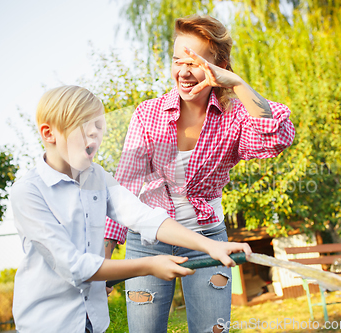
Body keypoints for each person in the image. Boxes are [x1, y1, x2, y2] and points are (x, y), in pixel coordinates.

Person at [104, 15, 295, 332]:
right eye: (178, 60)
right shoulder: (148, 114)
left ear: (218, 66)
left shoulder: (233, 117)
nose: (184, 70)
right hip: (147, 242)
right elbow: (124, 189)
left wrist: (236, 84)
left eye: (195, 62)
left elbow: (276, 136)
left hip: (208, 238)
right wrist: (105, 259)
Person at [10, 85, 252, 333]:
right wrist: (149, 265)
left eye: (99, 128)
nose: (94, 136)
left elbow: (142, 216)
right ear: (49, 133)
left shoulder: (97, 177)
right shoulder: (28, 192)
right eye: (84, 127)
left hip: (93, 321)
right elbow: (74, 266)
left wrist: (211, 246)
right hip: (48, 324)